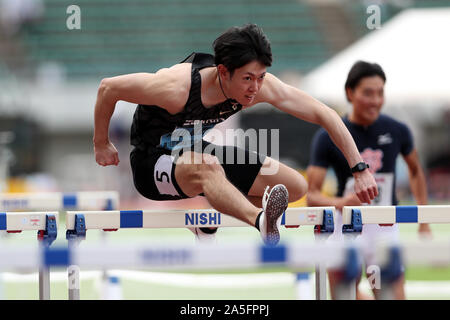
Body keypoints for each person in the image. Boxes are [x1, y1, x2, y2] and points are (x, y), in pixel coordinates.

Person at [93, 24, 378, 245]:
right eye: (247, 79)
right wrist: (101, 143)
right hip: (152, 162)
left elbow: (324, 113)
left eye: (261, 77)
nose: (255, 88)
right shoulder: (175, 87)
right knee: (208, 166)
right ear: (223, 72)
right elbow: (109, 88)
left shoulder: (259, 86)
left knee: (295, 187)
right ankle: (260, 221)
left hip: (197, 153)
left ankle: (210, 216)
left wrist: (359, 168)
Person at [306, 60, 431, 299]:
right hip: (346, 224)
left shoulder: (397, 130)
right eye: (367, 93)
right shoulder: (328, 136)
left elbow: (415, 171)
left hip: (385, 223)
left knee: (392, 295)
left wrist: (423, 219)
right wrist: (341, 203)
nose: (375, 100)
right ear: (350, 93)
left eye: (380, 93)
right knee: (343, 295)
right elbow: (311, 196)